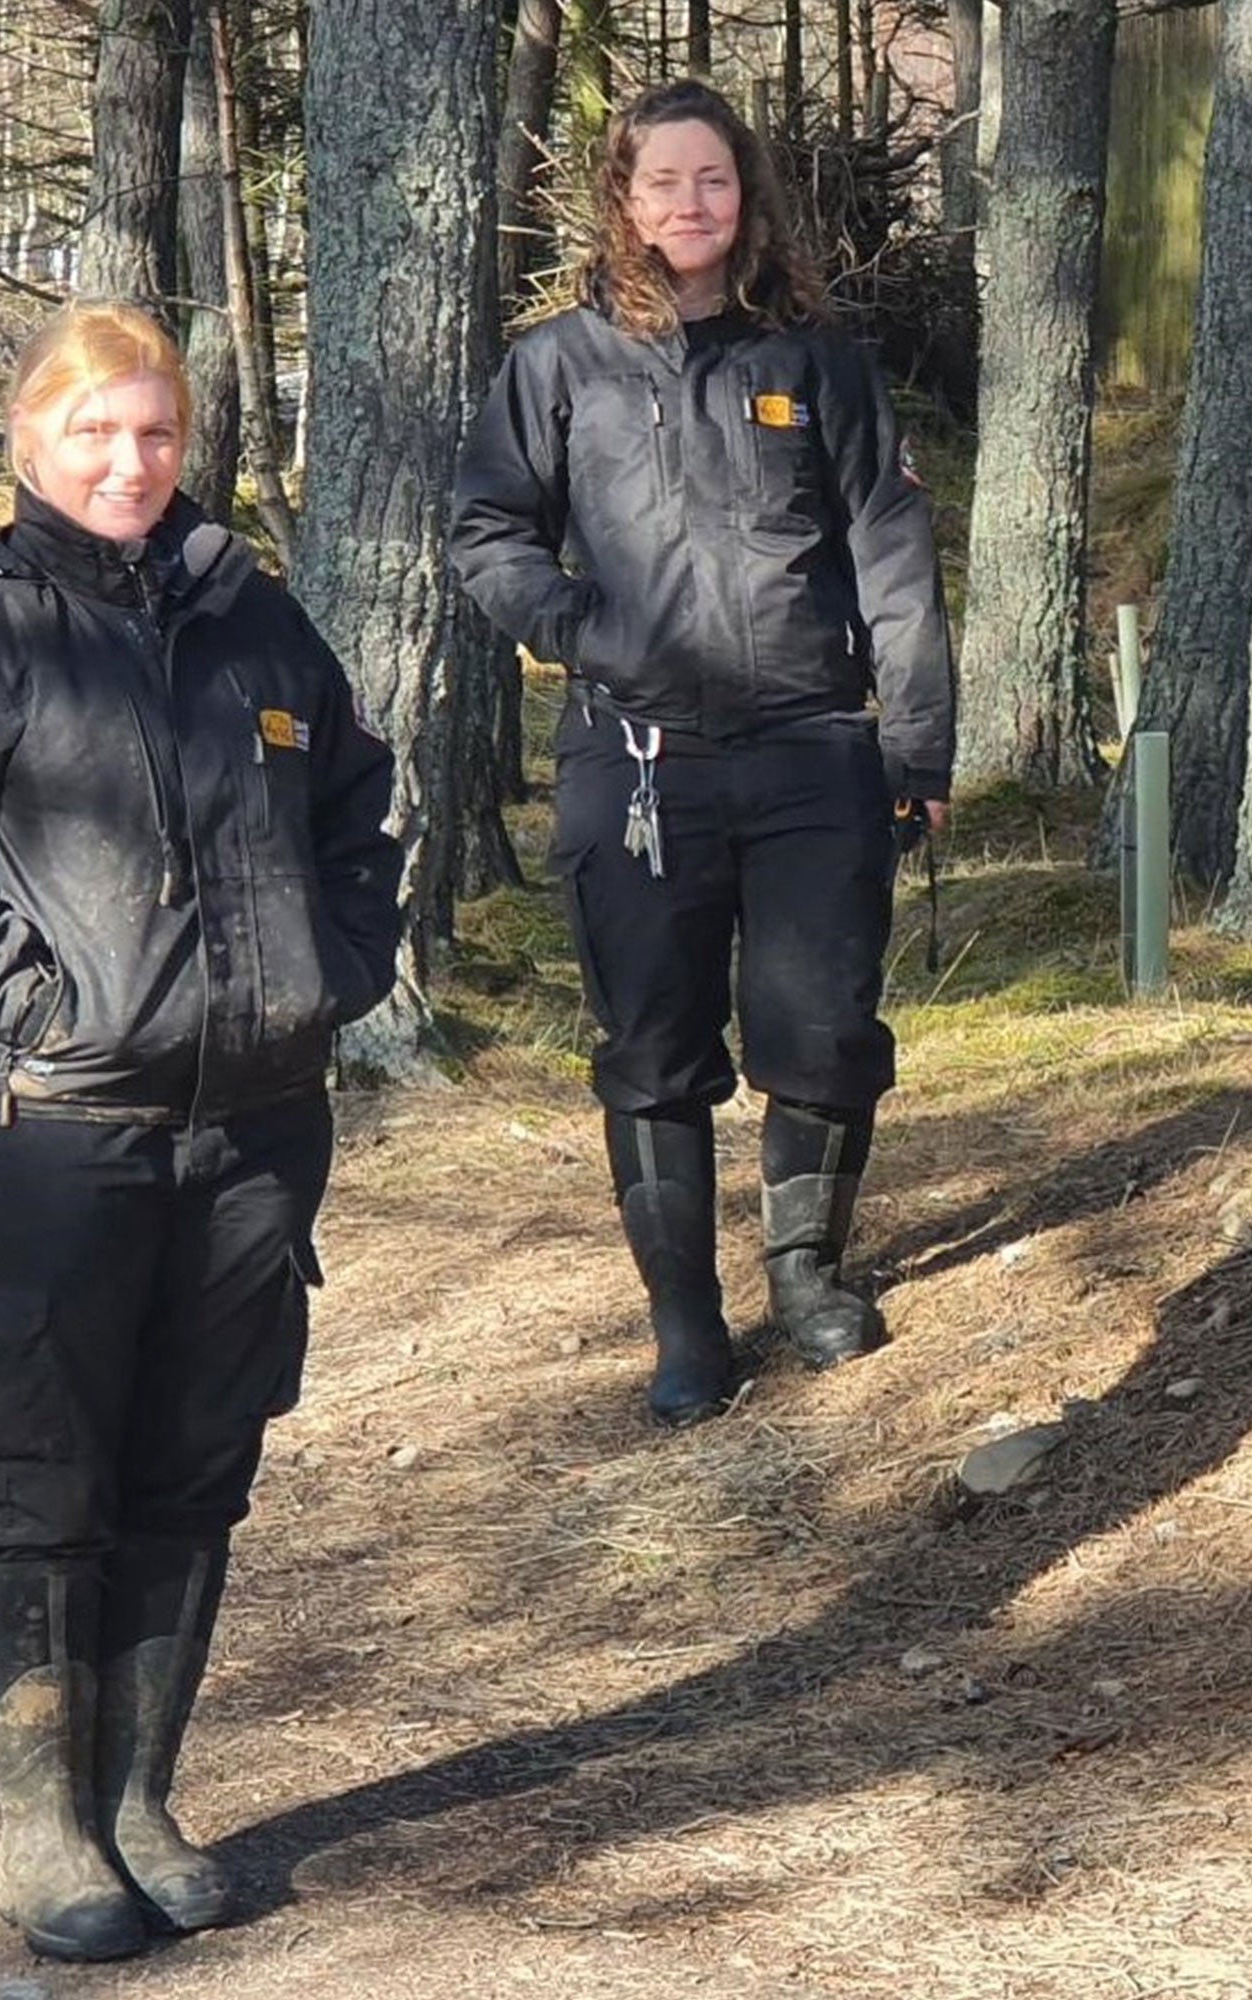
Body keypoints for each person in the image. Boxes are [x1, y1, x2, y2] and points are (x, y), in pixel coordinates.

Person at [0, 303, 401, 1958]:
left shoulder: (258, 625)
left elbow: (363, 808)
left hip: (257, 1128)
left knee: (199, 1466)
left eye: (153, 434)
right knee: (49, 1468)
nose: (129, 462)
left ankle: (141, 1795)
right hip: (57, 1127)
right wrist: (43, 1001)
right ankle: (42, 1827)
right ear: (28, 443)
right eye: (95, 433)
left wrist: (333, 971)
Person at [450, 77, 957, 1429]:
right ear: (621, 197)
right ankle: (687, 1324)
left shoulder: (818, 363)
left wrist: (914, 745)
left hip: (812, 752)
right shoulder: (557, 366)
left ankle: (806, 1278)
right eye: (663, 181)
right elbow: (489, 533)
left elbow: (892, 560)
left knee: (825, 1031)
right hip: (638, 764)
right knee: (655, 1044)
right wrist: (580, 629)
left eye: (714, 180)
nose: (691, 203)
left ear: (749, 198)